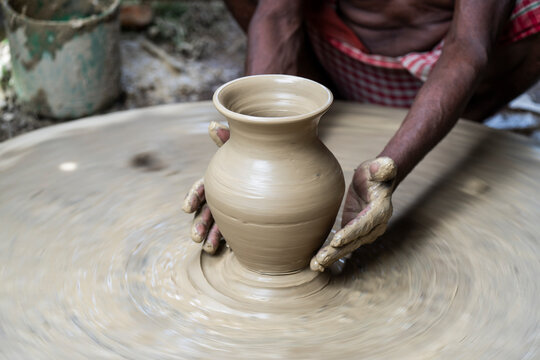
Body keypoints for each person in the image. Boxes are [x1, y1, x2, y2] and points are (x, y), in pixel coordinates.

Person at [183, 0, 540, 272]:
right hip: (339, 58)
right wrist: (252, 147)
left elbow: (468, 46)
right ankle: (304, 107)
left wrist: (388, 170)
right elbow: (278, 14)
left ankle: (455, 126)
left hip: (457, 72)